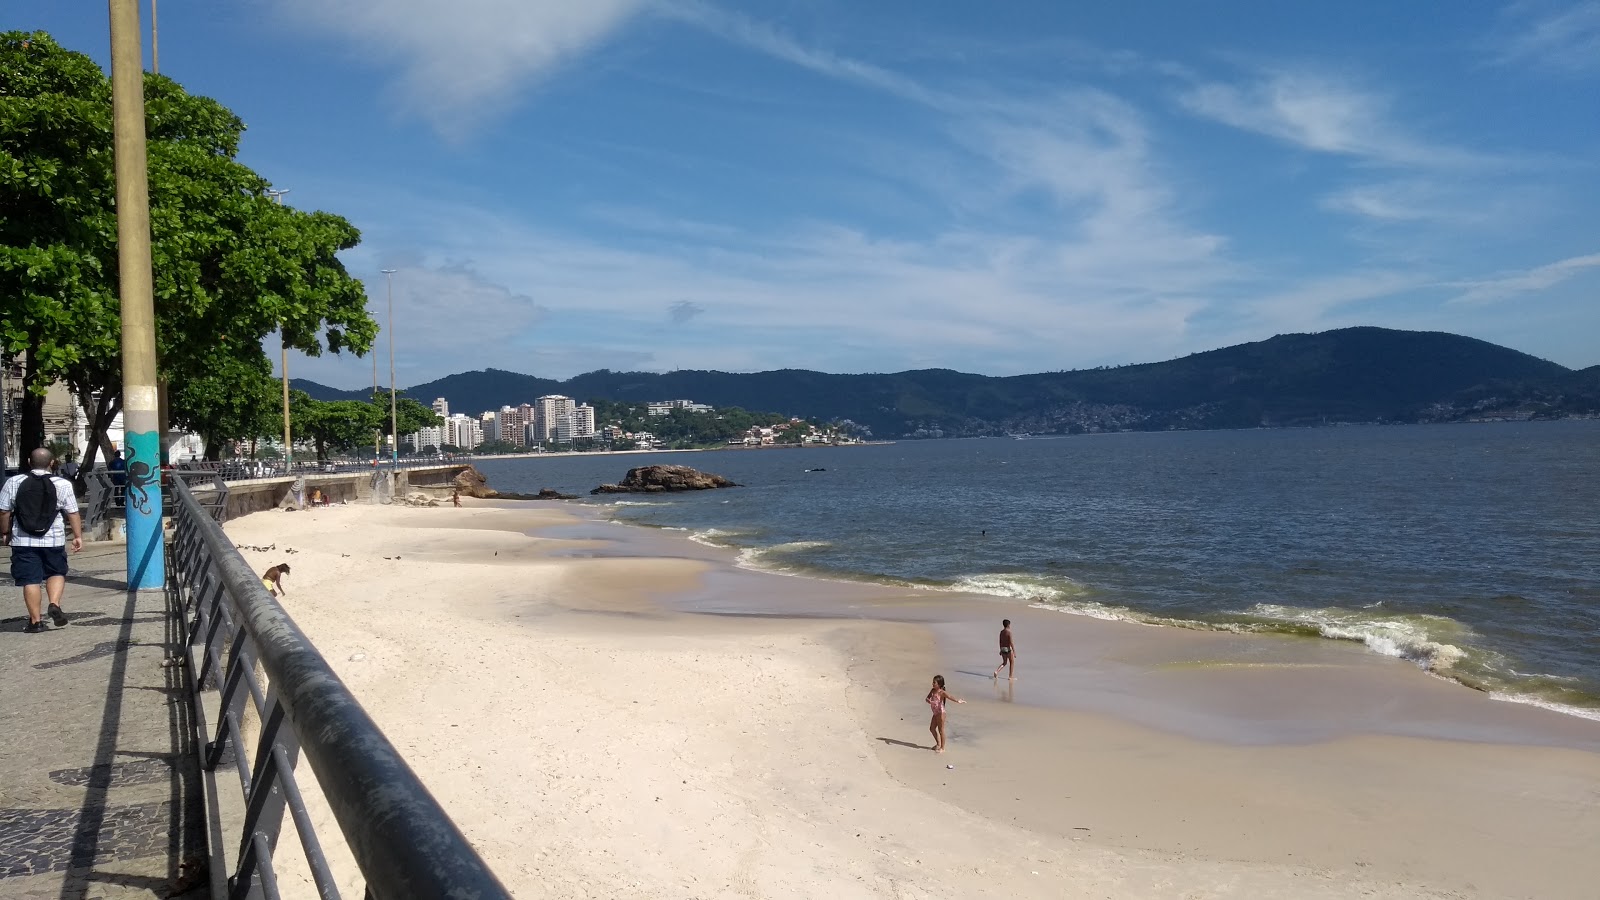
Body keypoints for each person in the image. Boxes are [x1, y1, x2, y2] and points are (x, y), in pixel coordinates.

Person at [0, 448, 85, 633]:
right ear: (52, 463)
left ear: (29, 461)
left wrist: (5, 532)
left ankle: (35, 622)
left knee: (30, 580)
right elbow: (73, 512)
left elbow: (4, 511)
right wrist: (78, 536)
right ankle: (54, 603)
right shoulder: (62, 484)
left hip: (23, 540)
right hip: (53, 539)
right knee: (56, 572)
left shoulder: (13, 482)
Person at [925, 675, 964, 753]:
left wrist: (957, 701)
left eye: (934, 682)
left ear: (939, 684)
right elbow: (927, 698)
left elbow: (949, 696)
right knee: (932, 729)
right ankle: (938, 744)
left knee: (941, 730)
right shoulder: (932, 690)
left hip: (941, 713)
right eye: (933, 682)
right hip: (935, 713)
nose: (932, 684)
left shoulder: (941, 692)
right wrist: (928, 700)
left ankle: (942, 748)